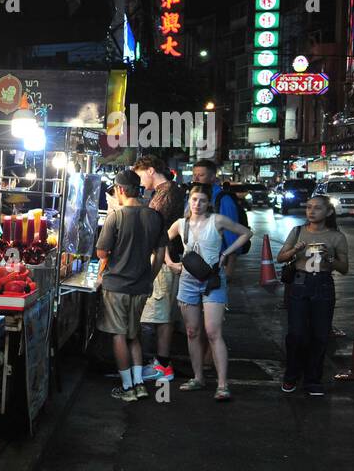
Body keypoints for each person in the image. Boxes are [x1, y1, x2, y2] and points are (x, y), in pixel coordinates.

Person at [165, 183, 253, 401]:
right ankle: (198, 377)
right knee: (192, 331)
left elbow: (246, 232)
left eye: (202, 200)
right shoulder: (181, 223)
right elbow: (161, 240)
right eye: (194, 199)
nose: (197, 204)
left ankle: (223, 384)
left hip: (213, 280)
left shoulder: (217, 221)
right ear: (189, 200)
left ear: (209, 203)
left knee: (213, 332)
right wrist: (170, 263)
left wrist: (226, 253)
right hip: (187, 280)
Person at [95, 169, 166, 402]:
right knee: (133, 334)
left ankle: (127, 388)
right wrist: (150, 275)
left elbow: (102, 251)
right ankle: (139, 384)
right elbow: (161, 251)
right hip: (141, 286)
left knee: (118, 335)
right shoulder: (154, 216)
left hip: (116, 286)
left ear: (120, 190)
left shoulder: (116, 216)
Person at [276, 195, 350, 395]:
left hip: (323, 285)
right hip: (300, 284)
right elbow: (280, 257)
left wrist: (330, 259)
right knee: (297, 334)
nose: (311, 211)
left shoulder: (336, 236)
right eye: (309, 207)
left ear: (329, 212)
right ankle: (291, 375)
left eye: (317, 208)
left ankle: (313, 379)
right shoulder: (298, 231)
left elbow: (344, 268)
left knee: (320, 335)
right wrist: (294, 250)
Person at [133, 156, 185, 381]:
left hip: (163, 260)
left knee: (157, 315)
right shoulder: (165, 191)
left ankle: (160, 366)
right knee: (160, 314)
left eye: (140, 175)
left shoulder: (168, 192)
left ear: (151, 170)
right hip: (163, 258)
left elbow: (153, 227)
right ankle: (160, 364)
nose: (140, 181)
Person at [190, 158, 242, 273]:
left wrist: (229, 268)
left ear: (213, 177)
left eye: (201, 175)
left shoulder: (223, 200)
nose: (196, 178)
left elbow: (232, 236)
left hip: (217, 263)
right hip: (194, 262)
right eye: (194, 175)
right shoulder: (192, 197)